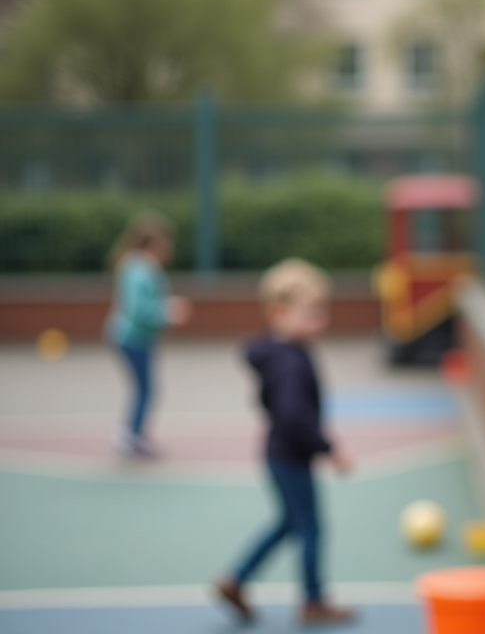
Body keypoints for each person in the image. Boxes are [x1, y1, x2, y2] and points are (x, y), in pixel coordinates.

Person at [214, 258, 356, 625]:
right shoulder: (290, 361)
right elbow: (293, 415)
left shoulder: (275, 352)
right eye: (309, 313)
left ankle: (236, 579)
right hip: (290, 457)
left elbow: (269, 403)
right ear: (278, 312)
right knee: (310, 528)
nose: (319, 322)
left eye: (321, 312)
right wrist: (328, 448)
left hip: (278, 454)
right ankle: (313, 601)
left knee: (290, 522)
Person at [105, 211, 191, 457]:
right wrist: (168, 310)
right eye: (166, 242)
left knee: (145, 388)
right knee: (145, 389)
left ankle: (135, 434)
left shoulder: (141, 266)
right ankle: (130, 435)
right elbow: (137, 310)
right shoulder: (140, 270)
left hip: (136, 338)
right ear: (153, 244)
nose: (170, 248)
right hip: (131, 338)